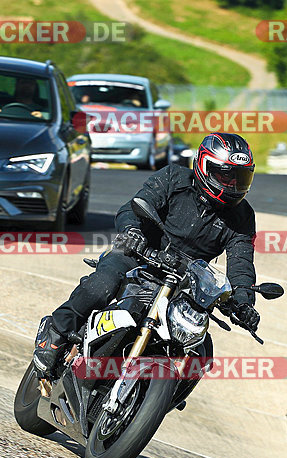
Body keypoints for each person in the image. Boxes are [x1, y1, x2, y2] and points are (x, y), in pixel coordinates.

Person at [32, 132, 261, 378]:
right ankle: (56, 331)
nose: (232, 185)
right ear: (204, 166)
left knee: (201, 350)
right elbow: (136, 205)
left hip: (184, 282)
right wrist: (132, 232)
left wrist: (244, 301)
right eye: (225, 175)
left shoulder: (243, 216)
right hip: (138, 252)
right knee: (102, 285)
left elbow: (241, 262)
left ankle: (157, 396)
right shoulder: (174, 177)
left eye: (239, 178)